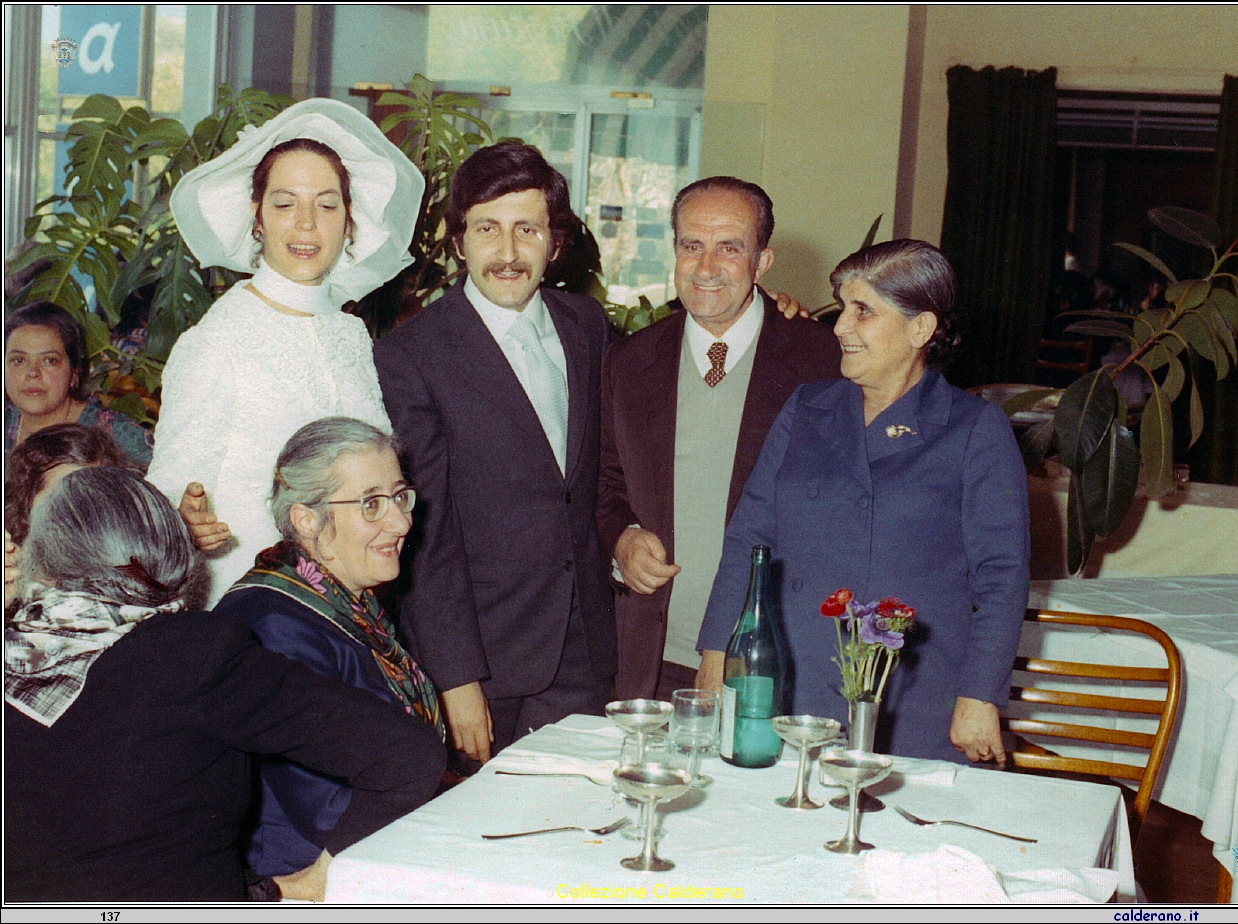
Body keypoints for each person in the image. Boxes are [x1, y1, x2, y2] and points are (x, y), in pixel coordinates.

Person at [4, 467, 444, 901]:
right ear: (167, 550)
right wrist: (310, 883)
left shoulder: (14, 651)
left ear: (43, 561)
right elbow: (410, 756)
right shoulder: (192, 654)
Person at [695, 240, 1030, 764]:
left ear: (920, 328)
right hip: (794, 685)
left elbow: (1002, 575)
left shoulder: (973, 429)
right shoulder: (807, 408)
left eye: (863, 311)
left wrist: (979, 694)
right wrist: (717, 654)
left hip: (913, 695)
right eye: (843, 307)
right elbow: (748, 539)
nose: (841, 327)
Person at [375, 141, 615, 762]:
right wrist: (456, 678)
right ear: (459, 241)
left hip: (586, 651)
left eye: (527, 229)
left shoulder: (587, 326)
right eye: (487, 229)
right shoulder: (412, 356)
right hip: (486, 666)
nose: (508, 253)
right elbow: (423, 531)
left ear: (555, 243)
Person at [148, 97, 423, 607]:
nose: (306, 224)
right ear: (256, 217)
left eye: (326, 204)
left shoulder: (350, 335)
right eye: (284, 203)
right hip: (249, 607)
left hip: (346, 607)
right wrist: (183, 519)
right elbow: (167, 492)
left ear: (349, 220)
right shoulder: (217, 339)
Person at [597, 176, 841, 701]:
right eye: (692, 246)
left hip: (774, 660)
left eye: (729, 248)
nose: (706, 268)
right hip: (651, 659)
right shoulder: (629, 361)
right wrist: (622, 536)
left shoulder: (823, 363)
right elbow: (604, 480)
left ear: (763, 261)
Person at [213, 418, 442, 897]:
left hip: (368, 848)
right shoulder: (274, 624)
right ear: (306, 519)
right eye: (371, 504)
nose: (401, 522)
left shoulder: (343, 599)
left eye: (400, 496)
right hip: (306, 878)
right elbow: (324, 805)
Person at [4, 301, 153, 468]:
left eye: (50, 360)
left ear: (74, 373)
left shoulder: (118, 437)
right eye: (18, 360)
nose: (32, 373)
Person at [4, 424, 128, 610]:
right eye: (59, 500)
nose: (73, 515)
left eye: (90, 502)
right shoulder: (13, 561)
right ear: (27, 504)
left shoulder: (130, 570)